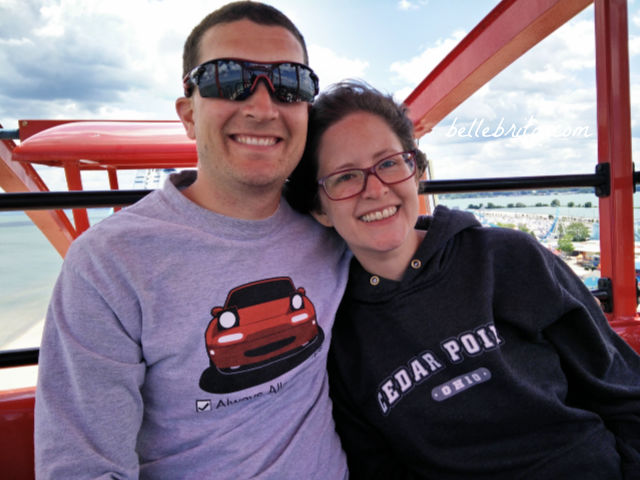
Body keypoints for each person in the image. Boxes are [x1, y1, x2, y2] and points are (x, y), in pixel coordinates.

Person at [34, 3, 351, 479]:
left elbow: (406, 239)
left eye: (290, 83)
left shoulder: (331, 228)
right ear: (187, 114)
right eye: (227, 79)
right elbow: (84, 466)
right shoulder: (111, 262)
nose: (263, 108)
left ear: (306, 109)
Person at [285, 80, 640, 479]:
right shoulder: (336, 331)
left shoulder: (507, 257)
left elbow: (622, 388)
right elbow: (376, 465)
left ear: (415, 171)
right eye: (345, 177)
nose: (375, 189)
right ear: (318, 210)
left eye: (388, 163)